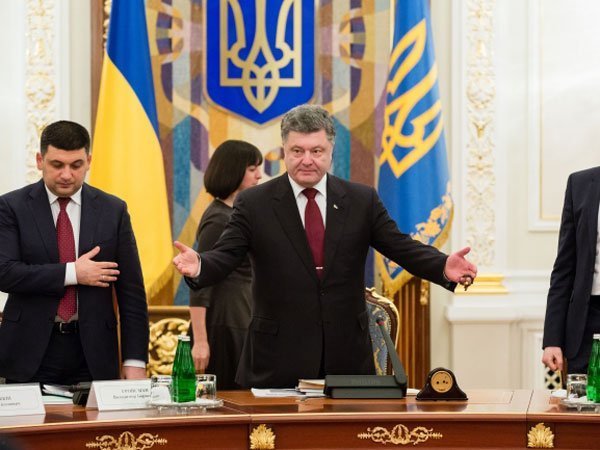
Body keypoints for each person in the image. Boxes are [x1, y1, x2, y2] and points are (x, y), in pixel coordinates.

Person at [173, 104, 477, 388]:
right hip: (276, 359)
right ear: (284, 151)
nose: (307, 159)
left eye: (316, 151)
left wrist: (442, 265)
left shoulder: (361, 200)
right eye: (297, 151)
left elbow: (400, 246)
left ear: (331, 152)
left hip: (346, 358)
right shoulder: (254, 203)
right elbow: (226, 255)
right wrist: (200, 265)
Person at [0, 120, 149, 385]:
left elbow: (132, 292)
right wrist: (72, 273)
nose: (67, 175)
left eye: (76, 165)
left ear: (88, 161)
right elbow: (6, 273)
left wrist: (135, 361)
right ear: (40, 160)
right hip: (29, 351)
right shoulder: (12, 207)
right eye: (57, 165)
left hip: (94, 353)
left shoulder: (113, 210)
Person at [189, 140, 262, 390]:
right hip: (223, 328)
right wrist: (200, 341)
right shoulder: (219, 219)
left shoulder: (235, 214)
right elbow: (200, 282)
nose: (259, 175)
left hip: (240, 320)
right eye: (252, 168)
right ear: (233, 170)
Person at [542, 166, 600, 374]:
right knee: (582, 393)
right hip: (587, 321)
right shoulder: (579, 184)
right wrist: (552, 339)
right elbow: (564, 268)